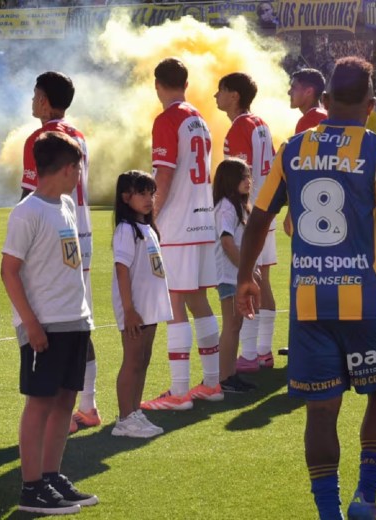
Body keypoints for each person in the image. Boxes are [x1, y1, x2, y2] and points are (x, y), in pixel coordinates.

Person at [236, 57, 376, 520]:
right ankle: (366, 496)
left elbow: (259, 218)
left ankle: (328, 513)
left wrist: (246, 276)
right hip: (370, 303)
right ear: (371, 105)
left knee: (321, 412)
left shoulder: (293, 149)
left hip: (311, 304)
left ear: (324, 102)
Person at [1, 131, 98, 514]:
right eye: (77, 168)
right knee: (39, 404)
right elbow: (9, 271)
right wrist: (31, 325)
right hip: (46, 326)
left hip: (75, 321)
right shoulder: (27, 212)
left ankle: (51, 476)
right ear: (65, 168)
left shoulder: (66, 206)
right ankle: (30, 487)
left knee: (65, 402)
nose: (79, 175)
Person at [21, 71, 100, 434]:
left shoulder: (41, 139)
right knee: (79, 320)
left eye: (36, 94)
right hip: (81, 233)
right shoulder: (79, 135)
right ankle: (88, 404)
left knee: (49, 321)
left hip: (52, 237)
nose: (32, 100)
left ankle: (56, 410)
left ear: (45, 101)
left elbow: (30, 196)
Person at [143, 57, 223, 411]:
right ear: (186, 84)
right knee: (197, 299)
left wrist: (150, 214)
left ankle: (178, 392)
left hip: (177, 223)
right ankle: (211, 383)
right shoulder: (199, 119)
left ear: (158, 85)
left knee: (175, 301)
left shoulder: (168, 118)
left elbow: (163, 175)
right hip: (203, 220)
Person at [215, 72, 278, 375]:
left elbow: (240, 176)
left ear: (234, 95)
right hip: (267, 211)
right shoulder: (262, 124)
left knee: (250, 277)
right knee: (263, 278)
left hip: (250, 217)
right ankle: (263, 351)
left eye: (221, 91)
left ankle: (250, 354)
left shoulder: (240, 127)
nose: (216, 96)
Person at [111, 171, 172, 438]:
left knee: (144, 359)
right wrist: (129, 309)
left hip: (150, 306)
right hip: (135, 308)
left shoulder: (148, 228)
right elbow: (122, 270)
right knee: (132, 360)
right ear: (126, 198)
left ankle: (135, 411)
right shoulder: (126, 230)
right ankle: (124, 419)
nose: (149, 199)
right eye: (142, 193)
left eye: (152, 193)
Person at [211, 158, 258, 392]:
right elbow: (227, 242)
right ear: (230, 180)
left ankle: (229, 375)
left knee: (235, 325)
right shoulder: (226, 207)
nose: (248, 181)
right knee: (231, 326)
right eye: (243, 177)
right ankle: (223, 378)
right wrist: (246, 270)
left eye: (249, 175)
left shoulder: (238, 205)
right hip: (230, 276)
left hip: (235, 275)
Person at [284, 68, 328, 239]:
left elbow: (304, 167)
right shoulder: (324, 115)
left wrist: (291, 208)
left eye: (294, 87)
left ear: (309, 91)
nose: (289, 91)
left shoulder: (309, 120)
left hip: (315, 201)